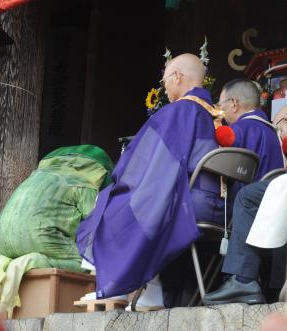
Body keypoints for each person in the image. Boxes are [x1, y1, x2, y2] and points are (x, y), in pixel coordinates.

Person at [76, 54, 225, 307]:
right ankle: (153, 287)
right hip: (219, 208)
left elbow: (146, 160)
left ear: (177, 77)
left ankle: (116, 286)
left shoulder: (180, 111)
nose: (164, 87)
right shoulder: (218, 117)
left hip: (188, 202)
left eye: (165, 80)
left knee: (112, 202)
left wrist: (123, 176)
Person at [0, 145, 114, 318]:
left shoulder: (36, 176)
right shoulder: (85, 181)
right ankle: (33, 260)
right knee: (88, 263)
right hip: (40, 238)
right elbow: (96, 224)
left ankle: (4, 262)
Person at [202, 104, 287, 305]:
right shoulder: (275, 141)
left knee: (247, 196)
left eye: (278, 127)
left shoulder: (246, 128)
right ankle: (273, 290)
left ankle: (242, 279)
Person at [217, 79, 284, 201]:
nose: (221, 112)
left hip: (247, 208)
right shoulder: (271, 130)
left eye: (221, 106)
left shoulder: (239, 130)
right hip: (272, 201)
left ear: (233, 103)